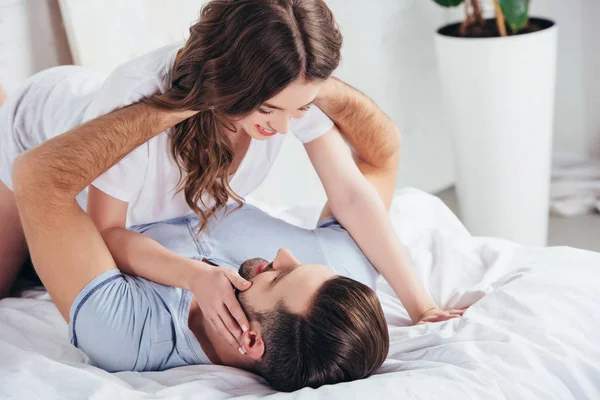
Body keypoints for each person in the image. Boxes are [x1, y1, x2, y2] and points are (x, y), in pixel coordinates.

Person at [1, 0, 463, 354]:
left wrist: (421, 306)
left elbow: (353, 197)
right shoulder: (142, 105)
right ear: (228, 82)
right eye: (268, 110)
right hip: (39, 127)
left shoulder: (287, 86)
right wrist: (194, 277)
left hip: (101, 108)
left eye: (300, 108)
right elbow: (108, 233)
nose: (283, 128)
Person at [10, 100, 392, 392]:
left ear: (251, 339)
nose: (284, 255)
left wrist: (188, 97)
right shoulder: (337, 285)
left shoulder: (127, 332)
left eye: (279, 277)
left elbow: (37, 175)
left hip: (57, 130)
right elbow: (381, 157)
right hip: (132, 106)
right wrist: (312, 87)